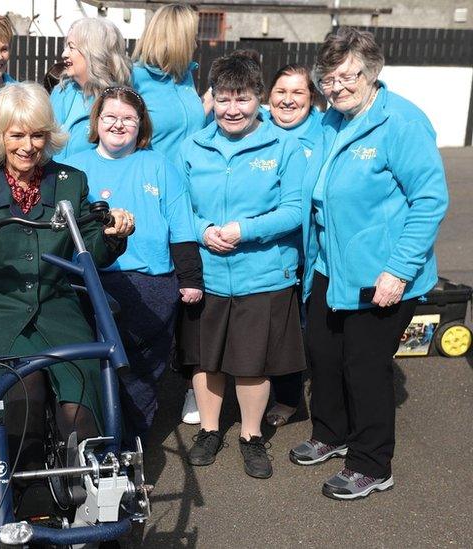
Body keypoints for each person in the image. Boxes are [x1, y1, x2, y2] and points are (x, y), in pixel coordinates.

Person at [290, 27, 448, 500]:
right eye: (328, 78)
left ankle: (372, 463)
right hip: (329, 269)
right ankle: (332, 434)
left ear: (371, 73)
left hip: (380, 274)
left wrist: (398, 270)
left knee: (364, 367)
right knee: (323, 355)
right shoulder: (331, 120)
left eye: (345, 77)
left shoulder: (401, 123)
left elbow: (429, 200)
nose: (335, 87)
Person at [0, 82, 135, 469]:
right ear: (0, 136)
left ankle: (86, 493)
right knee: (19, 399)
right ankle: (15, 496)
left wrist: (113, 234)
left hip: (56, 310)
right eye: (17, 135)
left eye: (37, 135)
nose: (27, 146)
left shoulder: (71, 181)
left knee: (78, 408)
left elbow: (92, 252)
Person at [176, 53, 307, 480]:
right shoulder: (190, 147)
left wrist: (242, 229)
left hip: (263, 274)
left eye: (243, 99)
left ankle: (251, 435)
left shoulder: (284, 146)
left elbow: (294, 210)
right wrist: (203, 229)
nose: (232, 109)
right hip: (208, 274)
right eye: (223, 98)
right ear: (210, 98)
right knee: (206, 360)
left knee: (253, 363)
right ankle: (210, 431)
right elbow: (177, 208)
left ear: (259, 100)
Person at [65, 86, 202, 449]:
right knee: (94, 370)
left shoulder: (158, 165)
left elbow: (181, 222)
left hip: (150, 284)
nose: (118, 124)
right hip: (90, 282)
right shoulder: (74, 167)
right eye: (110, 116)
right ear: (97, 120)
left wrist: (190, 277)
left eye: (129, 118)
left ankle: (130, 448)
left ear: (141, 125)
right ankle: (93, 447)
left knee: (140, 371)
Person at [129, 2, 208, 426]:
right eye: (193, 34)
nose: (198, 41)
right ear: (175, 36)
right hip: (150, 200)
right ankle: (141, 395)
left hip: (189, 201)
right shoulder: (134, 78)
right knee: (157, 294)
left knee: (192, 292)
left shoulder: (188, 75)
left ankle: (191, 386)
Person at [262, 63, 325, 427]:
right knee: (275, 330)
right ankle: (276, 396)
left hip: (313, 250)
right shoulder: (254, 127)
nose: (287, 100)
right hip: (267, 249)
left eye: (297, 92)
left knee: (305, 331)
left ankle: (300, 398)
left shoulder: (326, 132)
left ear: (311, 98)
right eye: (280, 92)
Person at [131, 3, 206, 160]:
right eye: (192, 38)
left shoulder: (185, 77)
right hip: (152, 180)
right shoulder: (133, 78)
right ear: (177, 41)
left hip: (188, 180)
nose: (195, 45)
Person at [50, 17, 132, 160]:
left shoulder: (119, 103)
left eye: (71, 47)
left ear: (93, 53)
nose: (64, 54)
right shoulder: (60, 91)